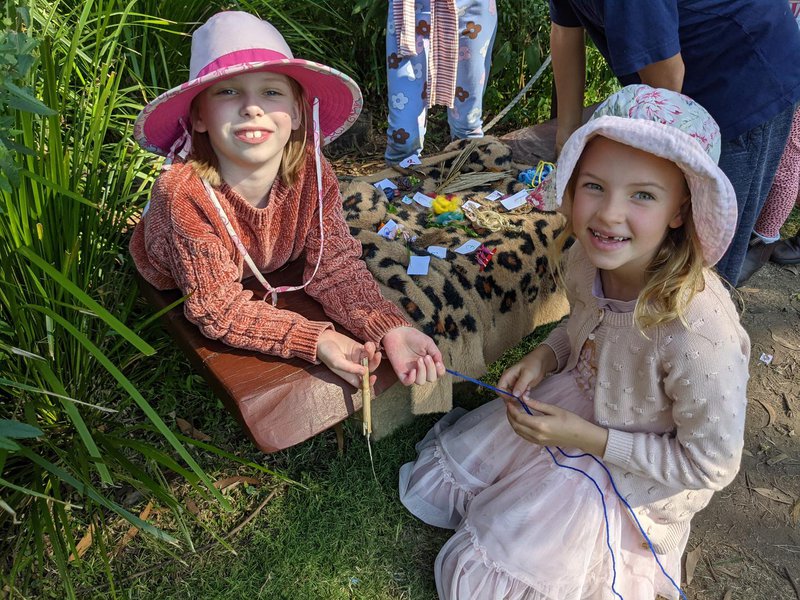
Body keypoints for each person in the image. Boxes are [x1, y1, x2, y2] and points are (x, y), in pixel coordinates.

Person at [399, 85, 750, 599]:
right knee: (472, 462)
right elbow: (587, 324)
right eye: (594, 186)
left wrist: (589, 439)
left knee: (507, 560)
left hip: (636, 466)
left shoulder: (698, 332)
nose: (608, 214)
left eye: (643, 195)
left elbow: (709, 465)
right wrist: (547, 356)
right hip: (586, 400)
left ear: (681, 210)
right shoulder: (588, 258)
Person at [130, 11, 445, 391]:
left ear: (297, 113)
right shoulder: (184, 195)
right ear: (198, 117)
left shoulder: (314, 173)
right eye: (228, 91)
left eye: (271, 92)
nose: (252, 107)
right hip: (183, 270)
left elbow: (335, 266)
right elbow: (216, 307)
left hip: (268, 258)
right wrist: (319, 339)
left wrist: (388, 328)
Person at [548, 0, 800, 287]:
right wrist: (565, 144)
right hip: (680, 79)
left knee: (699, 259)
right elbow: (565, 30)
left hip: (744, 73)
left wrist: (656, 174)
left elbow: (667, 76)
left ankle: (697, 319)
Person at [385, 0, 497, 166]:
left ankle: (465, 181)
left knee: (467, 129)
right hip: (409, 10)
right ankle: (400, 184)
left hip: (471, 11)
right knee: (403, 136)